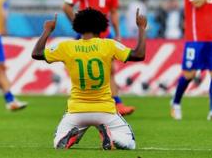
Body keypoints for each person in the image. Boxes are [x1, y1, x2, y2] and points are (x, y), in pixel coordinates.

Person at [32, 8, 147, 150]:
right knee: (129, 143)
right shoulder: (108, 45)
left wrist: (48, 30)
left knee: (57, 143)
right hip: (105, 110)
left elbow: (36, 53)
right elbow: (139, 54)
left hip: (76, 111)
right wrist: (141, 28)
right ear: (102, 26)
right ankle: (112, 137)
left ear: (77, 26)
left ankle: (69, 137)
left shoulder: (67, 46)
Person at [63, 0, 135, 116]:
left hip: (105, 35)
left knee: (110, 70)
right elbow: (67, 5)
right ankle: (83, 103)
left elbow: (114, 11)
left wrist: (117, 33)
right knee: (85, 70)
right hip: (88, 36)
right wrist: (80, 25)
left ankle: (117, 104)